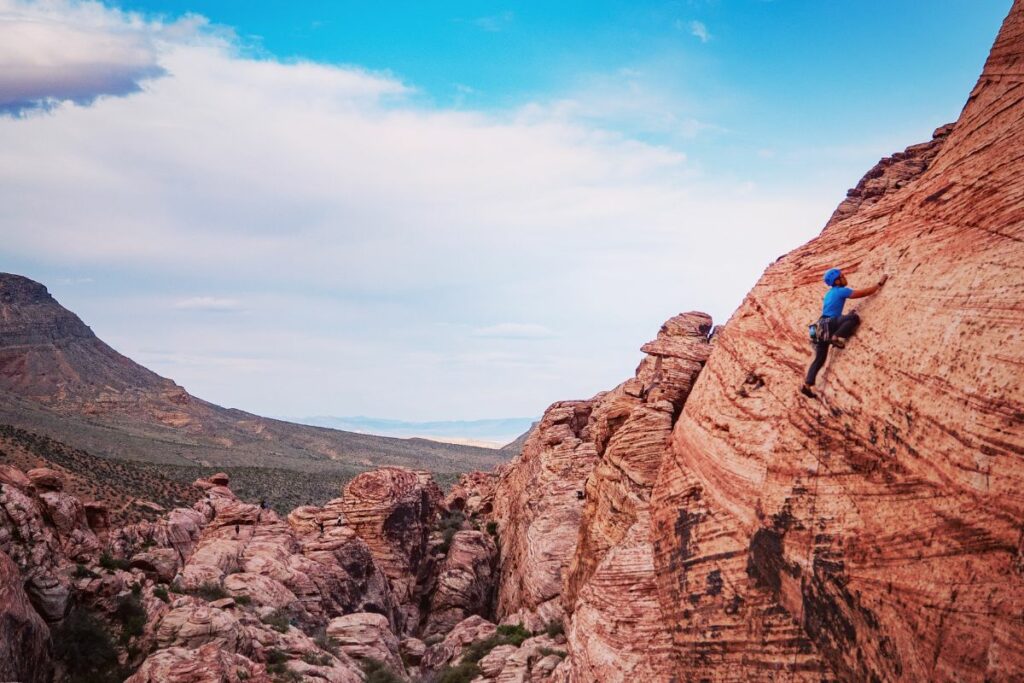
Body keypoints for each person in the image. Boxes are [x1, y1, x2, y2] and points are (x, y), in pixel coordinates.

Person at [800, 268, 888, 398]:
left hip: (819, 328)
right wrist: (879, 284)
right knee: (853, 318)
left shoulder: (829, 294)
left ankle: (807, 385)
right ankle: (836, 337)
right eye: (842, 276)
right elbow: (864, 293)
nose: (844, 277)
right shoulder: (841, 291)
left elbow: (832, 312)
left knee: (819, 359)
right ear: (837, 280)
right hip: (830, 324)